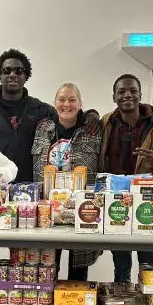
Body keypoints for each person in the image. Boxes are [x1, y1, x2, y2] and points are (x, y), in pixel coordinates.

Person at [0, 49, 55, 272]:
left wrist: (90, 114)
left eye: (18, 70)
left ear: (26, 75)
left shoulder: (40, 109)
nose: (12, 75)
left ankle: (26, 294)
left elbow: (68, 116)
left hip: (31, 194)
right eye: (7, 71)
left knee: (28, 259)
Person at [100, 73, 153, 282]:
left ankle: (148, 302)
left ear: (140, 95)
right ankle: (123, 302)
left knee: (148, 265)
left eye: (133, 91)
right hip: (117, 201)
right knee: (121, 266)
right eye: (121, 91)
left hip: (148, 202)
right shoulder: (107, 122)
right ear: (114, 97)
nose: (127, 95)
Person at [32, 83, 102, 280]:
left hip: (82, 209)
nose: (66, 104)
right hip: (48, 210)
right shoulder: (42, 127)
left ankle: (74, 301)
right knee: (47, 267)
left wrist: (93, 115)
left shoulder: (93, 129)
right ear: (54, 103)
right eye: (61, 99)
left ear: (80, 104)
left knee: (78, 271)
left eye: (72, 100)